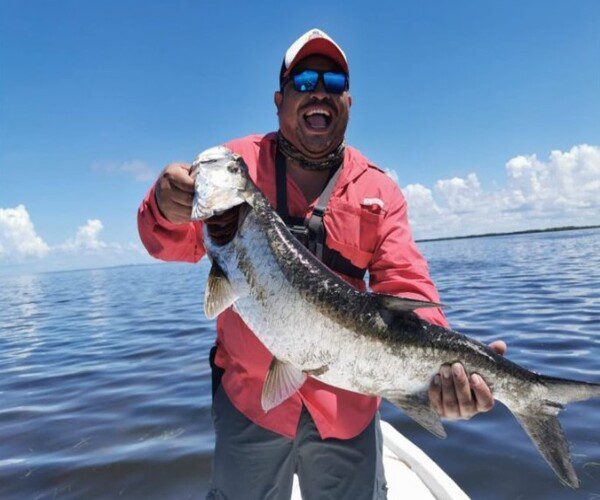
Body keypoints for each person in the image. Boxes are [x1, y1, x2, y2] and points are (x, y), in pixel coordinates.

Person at [137, 28, 507, 500]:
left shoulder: (379, 190)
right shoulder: (237, 165)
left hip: (348, 403)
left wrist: (448, 369)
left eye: (333, 83)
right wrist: (164, 206)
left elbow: (407, 284)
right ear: (279, 99)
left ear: (349, 103)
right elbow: (169, 244)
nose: (319, 91)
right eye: (305, 79)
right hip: (250, 400)